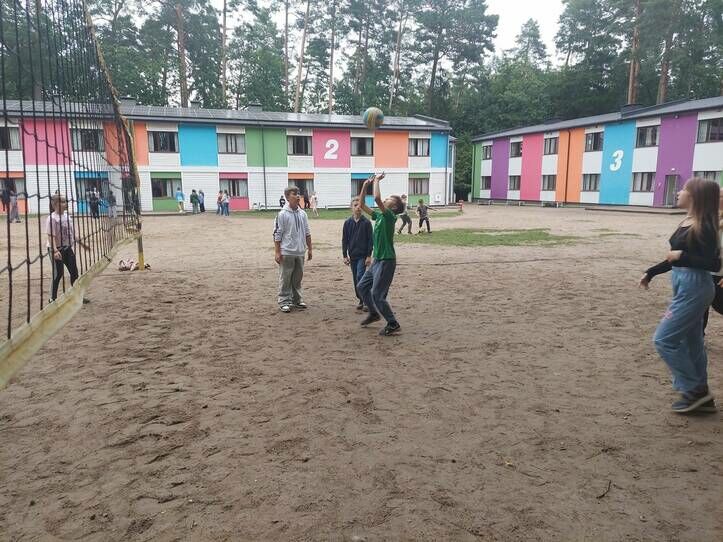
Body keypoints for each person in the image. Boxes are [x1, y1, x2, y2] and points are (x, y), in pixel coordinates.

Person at [639, 177, 720, 414]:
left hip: (696, 287)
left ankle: (694, 391)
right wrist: (651, 272)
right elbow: (674, 257)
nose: (678, 192)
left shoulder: (706, 226)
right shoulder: (687, 221)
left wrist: (681, 257)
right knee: (691, 342)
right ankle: (702, 397)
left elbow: (713, 264)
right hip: (684, 283)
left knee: (663, 340)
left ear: (695, 196)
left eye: (683, 189)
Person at [356, 173, 404, 336]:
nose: (385, 199)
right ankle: (374, 313)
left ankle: (393, 323)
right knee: (362, 287)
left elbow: (376, 198)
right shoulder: (380, 216)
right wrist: (364, 185)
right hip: (377, 260)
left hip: (386, 261)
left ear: (394, 207)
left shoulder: (390, 216)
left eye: (389, 199)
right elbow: (362, 205)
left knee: (377, 294)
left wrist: (376, 181)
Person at [273, 186, 312, 313]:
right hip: (287, 252)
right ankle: (284, 301)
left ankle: (297, 299)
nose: (297, 196)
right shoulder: (282, 214)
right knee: (285, 277)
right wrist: (277, 252)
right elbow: (277, 234)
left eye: (298, 193)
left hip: (300, 251)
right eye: (294, 194)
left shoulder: (303, 214)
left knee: (297, 278)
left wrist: (310, 249)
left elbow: (307, 232)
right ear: (287, 197)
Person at [46, 194, 89, 302]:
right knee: (58, 273)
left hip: (67, 248)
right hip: (56, 249)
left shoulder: (67, 217)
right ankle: (52, 298)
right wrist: (55, 251)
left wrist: (82, 244)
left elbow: (72, 234)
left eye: (65, 201)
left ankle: (77, 296)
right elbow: (51, 236)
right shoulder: (52, 218)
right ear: (55, 204)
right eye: (63, 202)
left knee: (74, 272)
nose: (66, 203)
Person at [342, 197, 373, 311]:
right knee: (355, 278)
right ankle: (361, 299)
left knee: (360, 276)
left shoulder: (366, 223)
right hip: (352, 255)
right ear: (351, 207)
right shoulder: (347, 223)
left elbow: (370, 240)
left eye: (360, 205)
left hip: (363, 256)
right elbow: (344, 240)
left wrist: (369, 256)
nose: (358, 207)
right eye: (355, 205)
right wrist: (345, 255)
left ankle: (366, 301)